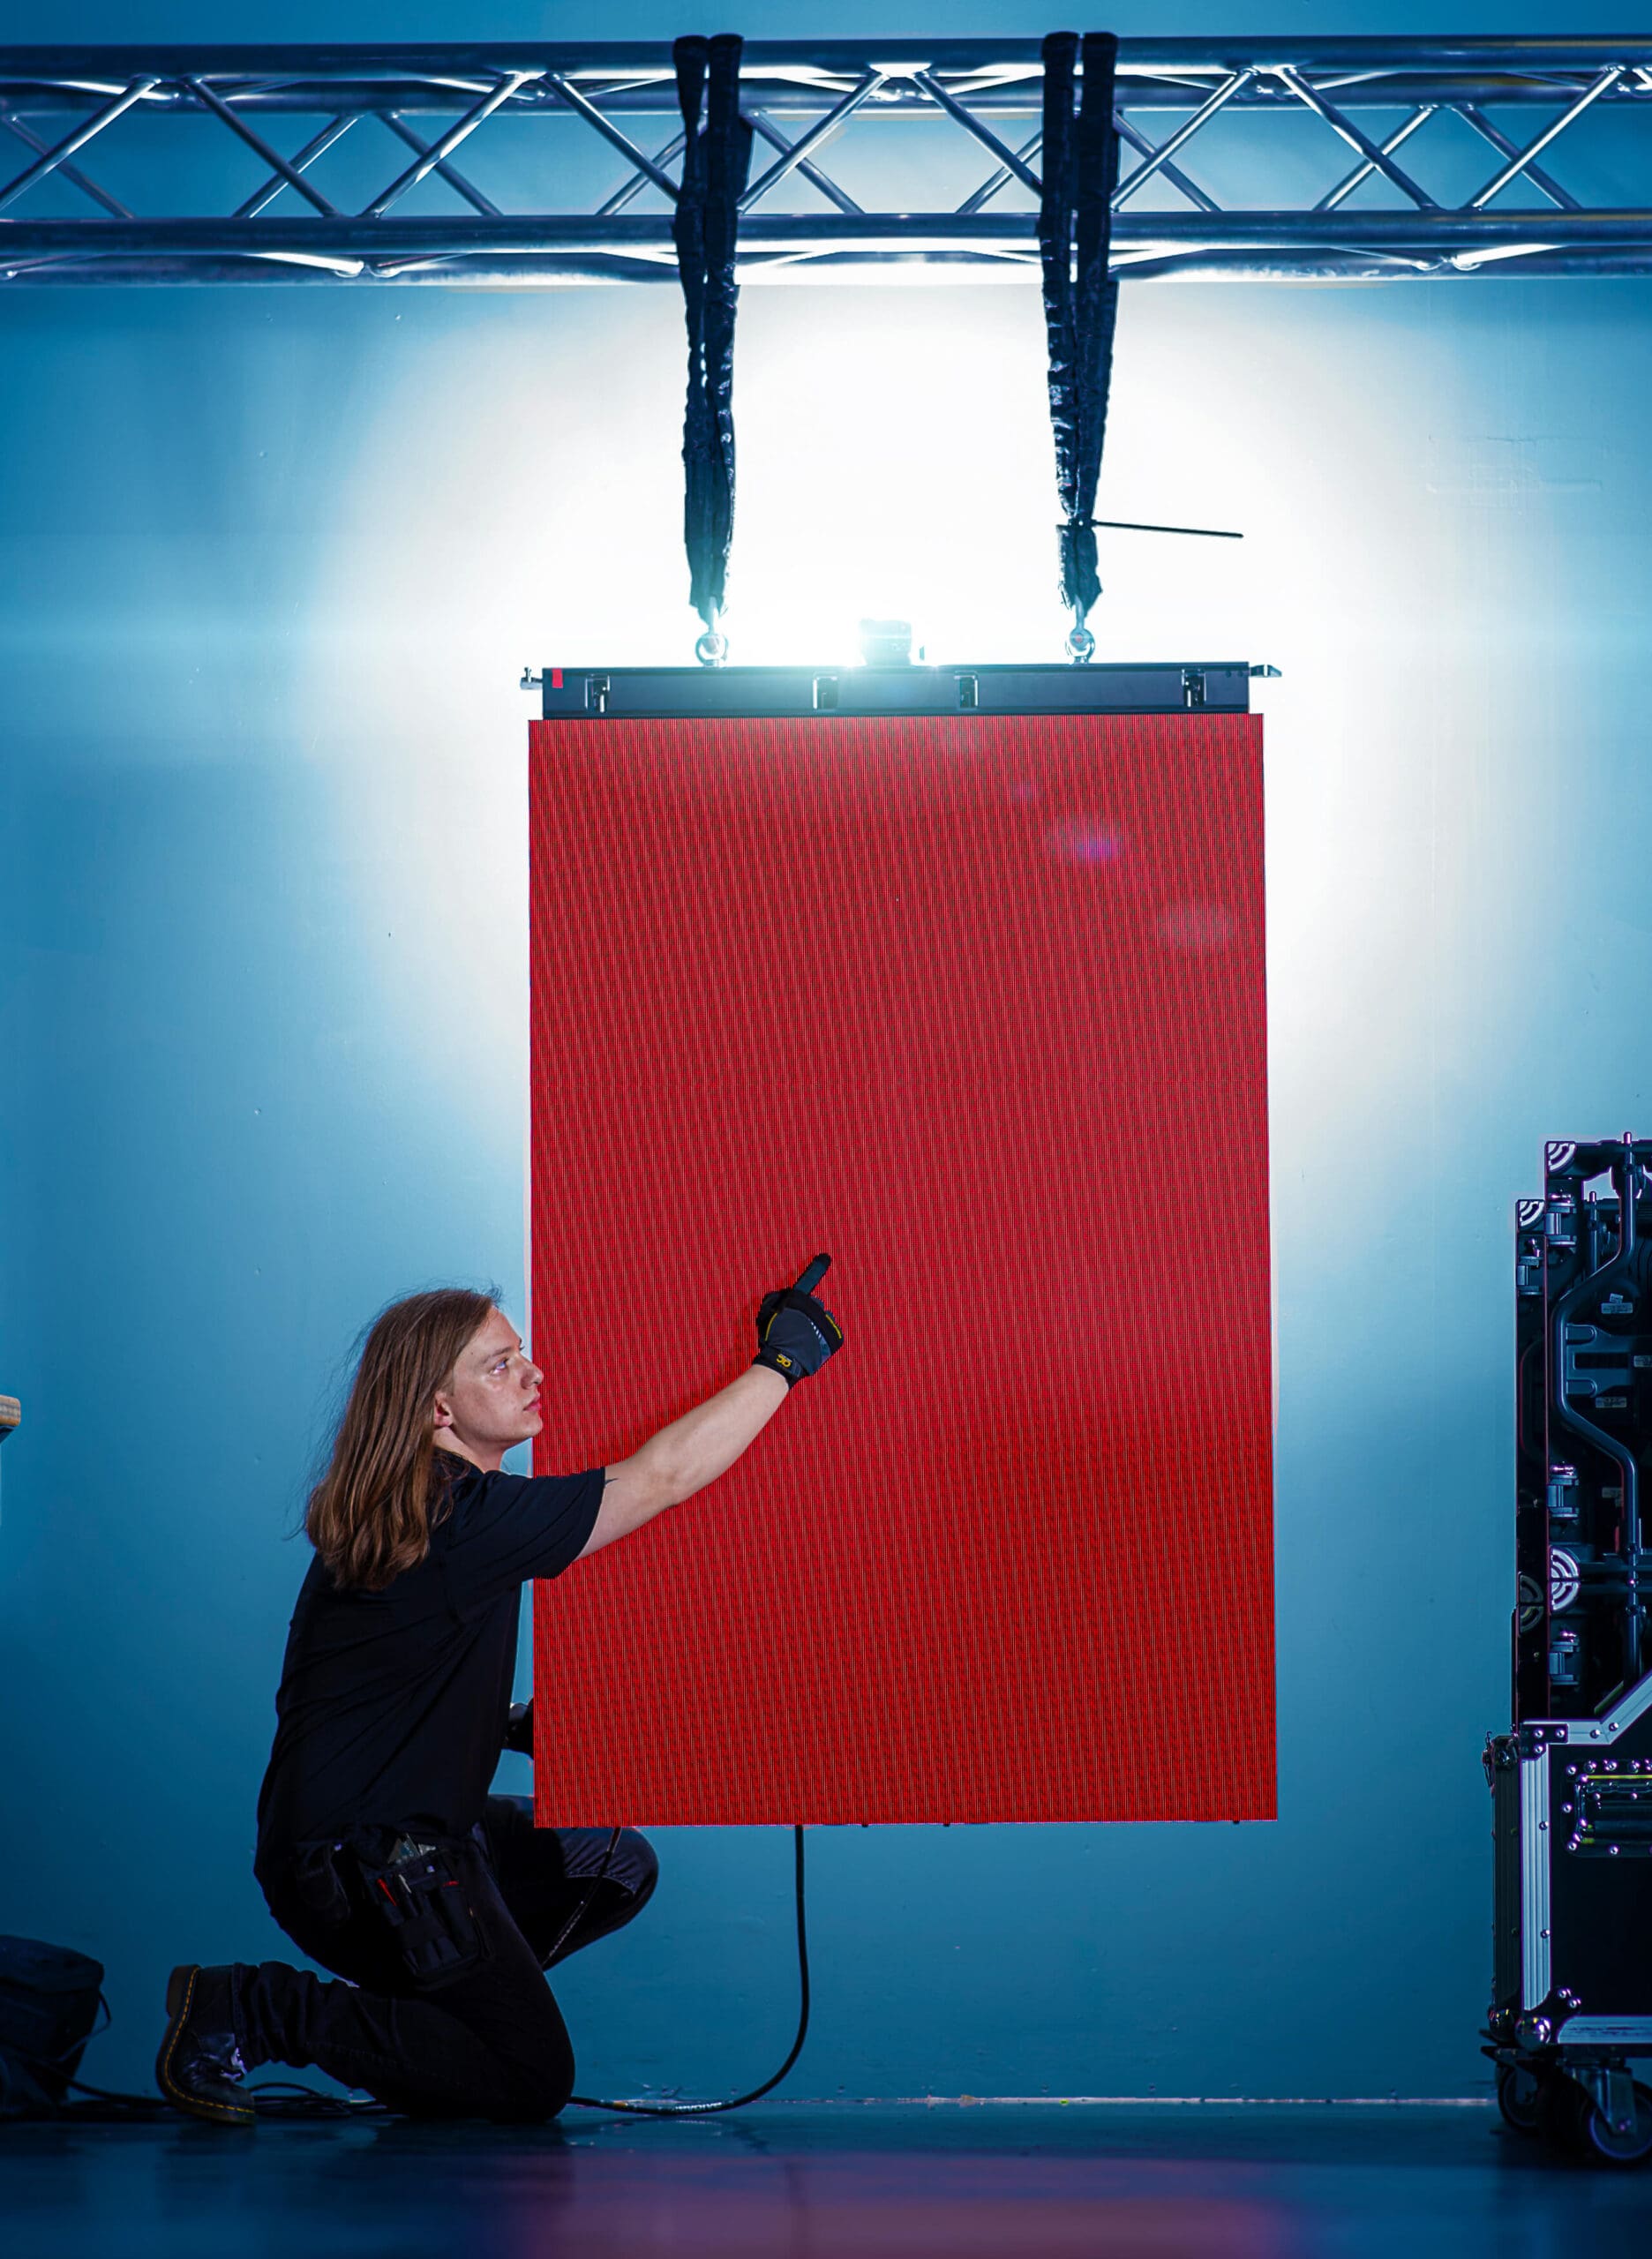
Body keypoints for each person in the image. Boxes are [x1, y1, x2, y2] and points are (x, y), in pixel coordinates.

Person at [155, 1270, 844, 2126]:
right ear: (439, 1409)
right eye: (499, 1364)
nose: (532, 1373)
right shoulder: (458, 1513)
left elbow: (392, 1686)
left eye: (521, 1353)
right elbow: (660, 1478)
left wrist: (510, 1724)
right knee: (528, 2081)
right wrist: (782, 1362)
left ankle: (431, 2036)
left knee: (610, 1862)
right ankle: (254, 2006)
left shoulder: (422, 1508)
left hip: (390, 1843)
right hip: (365, 1870)